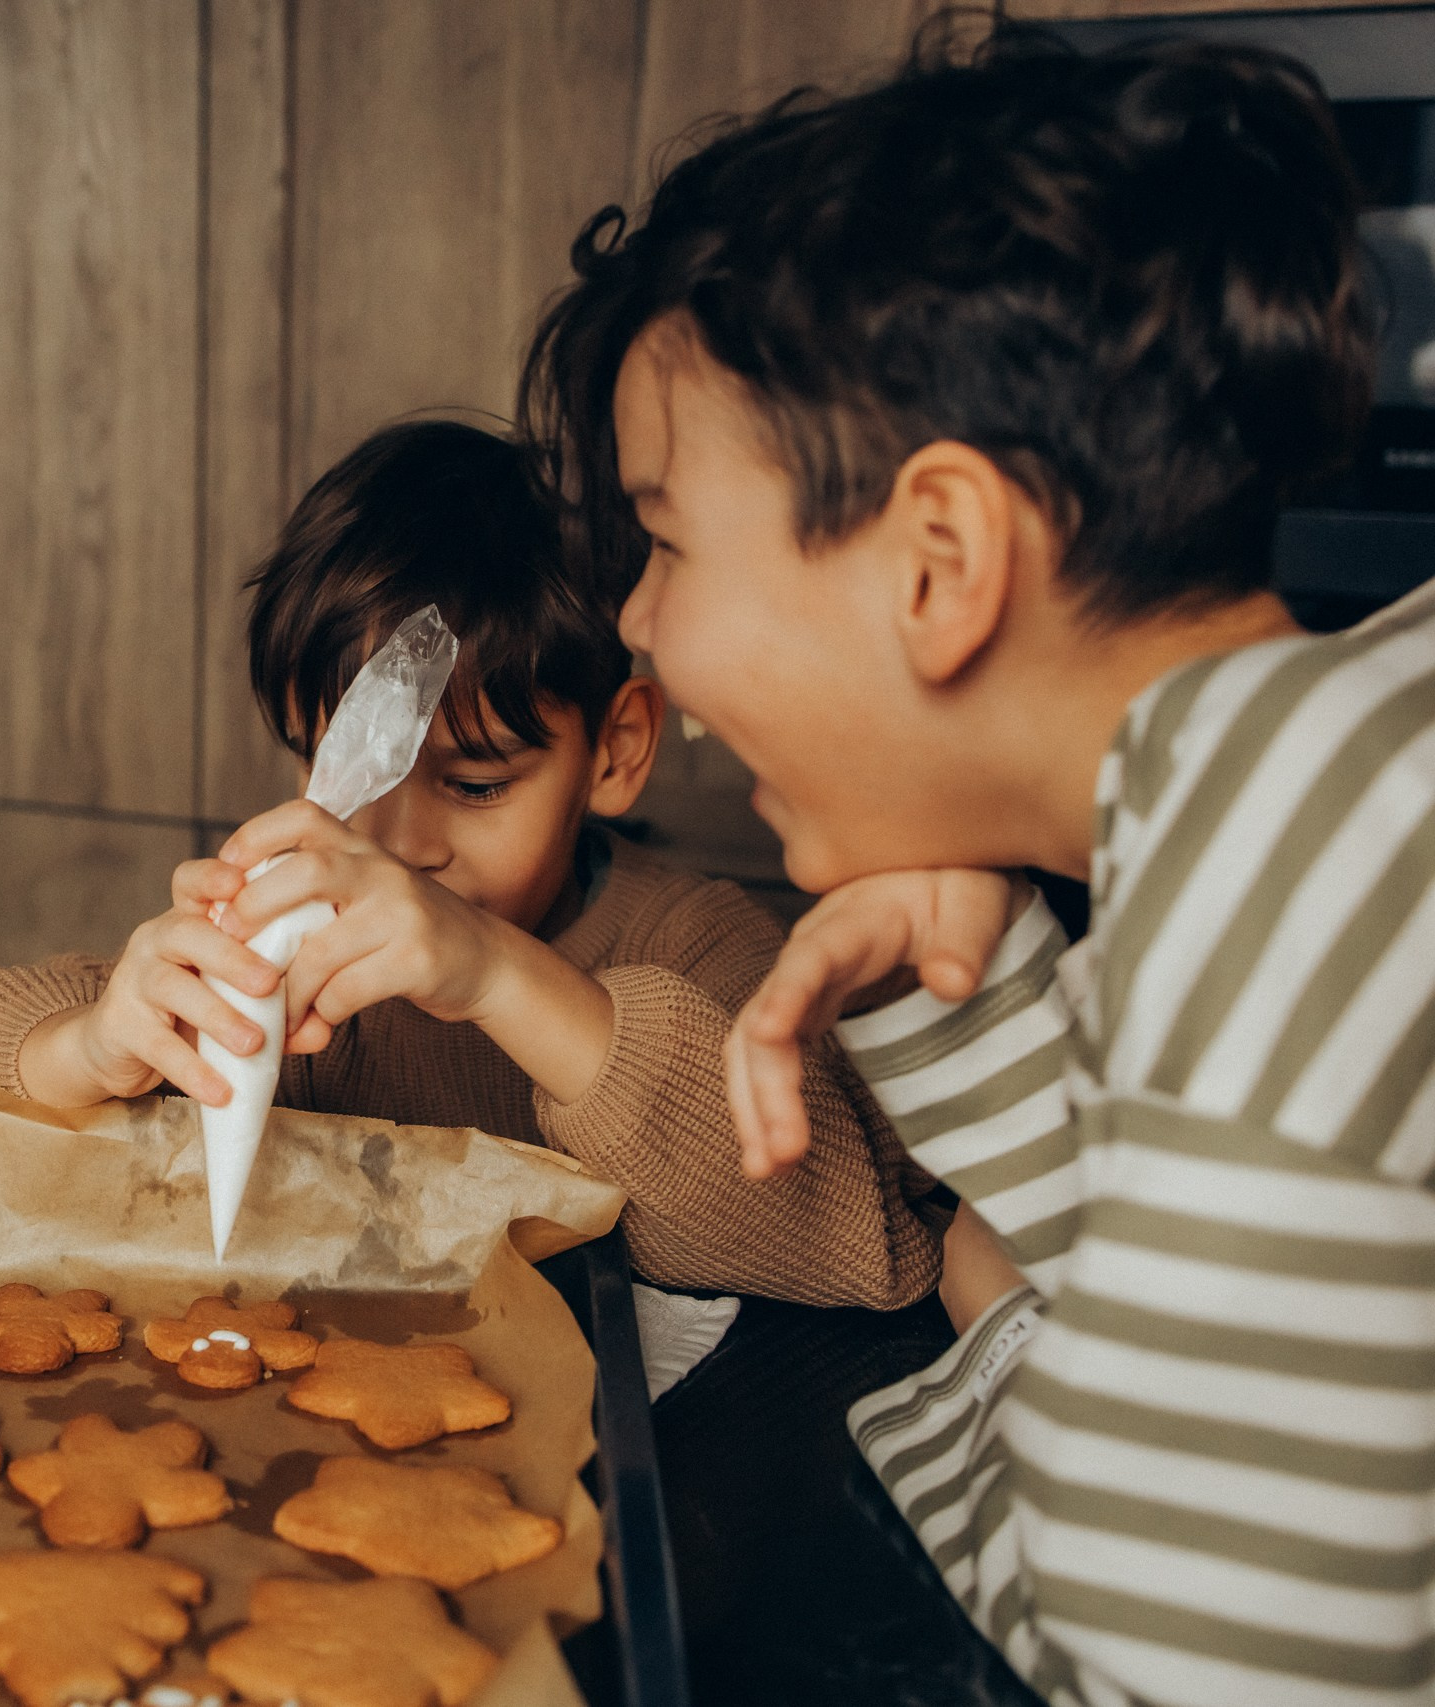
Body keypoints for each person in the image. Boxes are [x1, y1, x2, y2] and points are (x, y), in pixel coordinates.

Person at [527, 23, 1420, 1706]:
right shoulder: (1291, 776)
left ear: (938, 560)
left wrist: (1006, 1330)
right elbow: (1217, 1318)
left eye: (663, 539)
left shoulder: (1292, 844)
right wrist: (989, 987)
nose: (636, 623)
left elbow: (1166, 1645)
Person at [0, 419, 942, 1311]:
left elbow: (849, 1245)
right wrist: (94, 1045)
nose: (399, 848)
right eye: (358, 782)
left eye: (476, 785)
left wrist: (492, 973)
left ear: (616, 749)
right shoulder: (303, 956)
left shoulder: (704, 944)